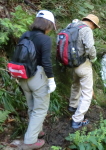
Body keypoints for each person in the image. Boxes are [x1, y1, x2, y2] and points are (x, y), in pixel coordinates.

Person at [20, 10, 56, 149]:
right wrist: (51, 79)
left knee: (32, 106)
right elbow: (46, 61)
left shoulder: (25, 35)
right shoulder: (45, 39)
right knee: (40, 109)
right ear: (48, 25)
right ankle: (30, 142)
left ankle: (37, 130)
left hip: (23, 76)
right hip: (38, 76)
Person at [68, 14, 100, 129]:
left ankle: (72, 105)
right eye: (95, 27)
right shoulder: (86, 30)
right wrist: (93, 58)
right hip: (82, 64)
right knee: (87, 93)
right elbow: (90, 47)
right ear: (93, 23)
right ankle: (77, 120)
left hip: (72, 63)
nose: (94, 29)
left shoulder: (71, 26)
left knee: (75, 84)